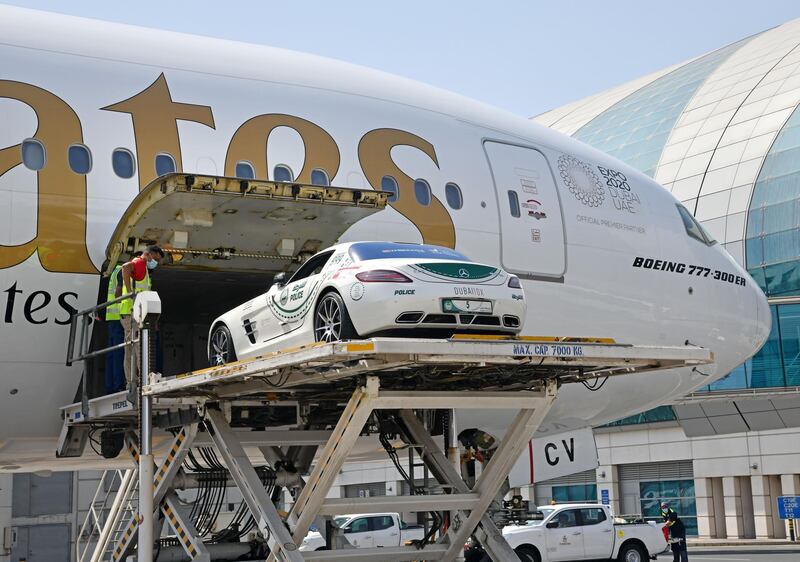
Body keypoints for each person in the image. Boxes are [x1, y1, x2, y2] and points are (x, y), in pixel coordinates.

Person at [119, 245, 163, 388]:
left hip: (136, 312)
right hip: (132, 312)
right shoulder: (139, 263)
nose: (155, 263)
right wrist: (131, 293)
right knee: (137, 345)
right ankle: (141, 379)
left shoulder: (144, 269)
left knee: (133, 346)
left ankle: (135, 380)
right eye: (155, 259)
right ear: (149, 255)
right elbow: (125, 267)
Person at [103, 262, 125, 393]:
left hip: (112, 318)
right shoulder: (123, 271)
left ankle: (110, 386)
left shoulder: (115, 271)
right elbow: (118, 294)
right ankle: (118, 385)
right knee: (119, 353)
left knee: (112, 354)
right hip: (119, 318)